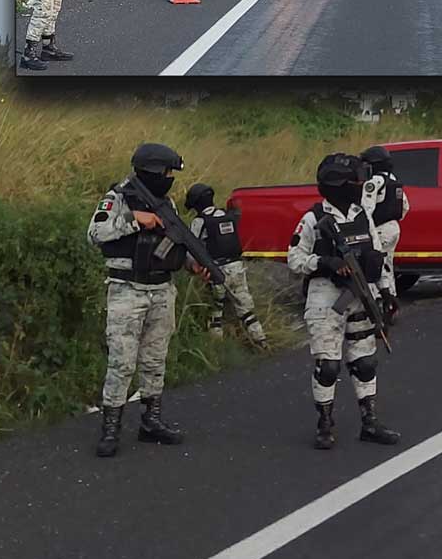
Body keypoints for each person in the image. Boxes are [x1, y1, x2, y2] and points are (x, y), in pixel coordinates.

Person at [87, 143, 194, 457]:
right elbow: (95, 233)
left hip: (161, 289)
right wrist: (135, 220)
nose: (170, 178)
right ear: (152, 170)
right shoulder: (118, 198)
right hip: (127, 290)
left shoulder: (166, 202)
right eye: (167, 172)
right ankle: (110, 430)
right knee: (121, 362)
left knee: (154, 359)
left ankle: (151, 422)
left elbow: (173, 241)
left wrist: (193, 264)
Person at [287, 153, 400, 450]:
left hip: (362, 296)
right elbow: (294, 259)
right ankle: (325, 425)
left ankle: (370, 422)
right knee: (328, 366)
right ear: (338, 184)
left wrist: (387, 292)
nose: (360, 184)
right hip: (325, 298)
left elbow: (379, 254)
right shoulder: (313, 219)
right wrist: (326, 262)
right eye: (355, 180)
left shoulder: (363, 214)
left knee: (365, 362)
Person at [184, 183, 267, 347]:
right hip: (237, 267)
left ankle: (217, 347)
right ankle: (261, 341)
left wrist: (191, 266)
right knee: (246, 309)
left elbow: (191, 247)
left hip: (216, 271)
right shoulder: (226, 215)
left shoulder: (200, 221)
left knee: (215, 310)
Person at [359, 146, 409, 316]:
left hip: (378, 230)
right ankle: (391, 303)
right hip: (393, 228)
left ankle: (379, 306)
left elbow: (366, 210)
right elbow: (405, 207)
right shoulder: (394, 181)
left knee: (374, 267)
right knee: (387, 266)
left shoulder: (373, 183)